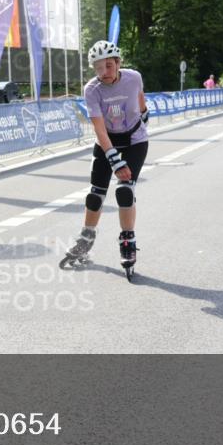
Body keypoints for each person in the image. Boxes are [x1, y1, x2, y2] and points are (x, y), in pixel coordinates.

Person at [61, 40, 148, 278]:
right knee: (95, 194)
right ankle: (86, 238)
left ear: (119, 63)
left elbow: (140, 99)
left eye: (108, 66)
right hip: (106, 140)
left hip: (134, 141)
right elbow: (99, 130)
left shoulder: (134, 78)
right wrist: (114, 160)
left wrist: (144, 115)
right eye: (98, 68)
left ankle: (128, 240)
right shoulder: (92, 89)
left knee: (124, 191)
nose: (104, 73)